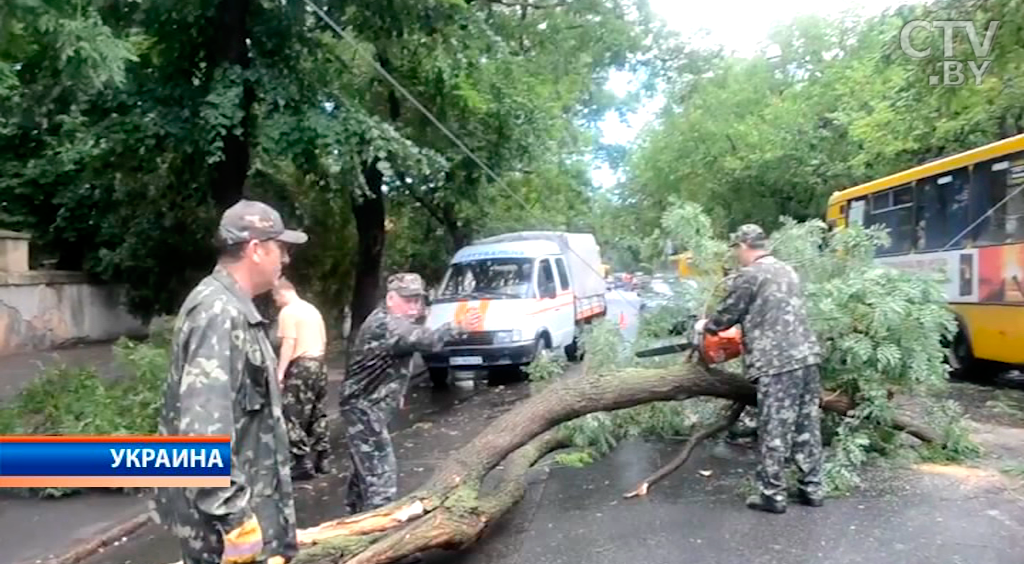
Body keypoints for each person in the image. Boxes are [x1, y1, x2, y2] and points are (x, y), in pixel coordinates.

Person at [150, 199, 308, 564]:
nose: (284, 260)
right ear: (255, 249)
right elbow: (203, 432)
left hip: (244, 517)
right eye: (280, 248)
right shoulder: (218, 313)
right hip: (225, 532)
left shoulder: (234, 309)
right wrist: (235, 520)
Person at [696, 224, 824, 514]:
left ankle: (773, 494)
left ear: (743, 246)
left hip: (777, 363)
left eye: (736, 250)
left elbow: (727, 316)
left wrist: (705, 325)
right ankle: (812, 488)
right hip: (808, 357)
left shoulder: (750, 275)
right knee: (807, 425)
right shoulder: (788, 270)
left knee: (774, 427)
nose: (736, 256)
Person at [340, 273, 479, 514]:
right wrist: (459, 326)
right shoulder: (386, 324)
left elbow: (393, 361)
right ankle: (378, 535)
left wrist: (396, 392)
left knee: (364, 473)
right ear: (391, 298)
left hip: (368, 407)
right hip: (364, 411)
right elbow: (428, 340)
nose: (414, 307)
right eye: (408, 300)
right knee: (381, 481)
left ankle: (352, 521)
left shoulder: (392, 322)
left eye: (418, 300)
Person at [273, 277, 331, 480]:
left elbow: (288, 344)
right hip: (319, 364)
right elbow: (324, 340)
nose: (275, 302)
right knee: (318, 412)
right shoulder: (312, 310)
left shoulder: (288, 312)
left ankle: (300, 462)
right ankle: (322, 457)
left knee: (291, 413)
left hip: (302, 366)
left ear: (282, 292)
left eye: (275, 297)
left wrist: (280, 373)